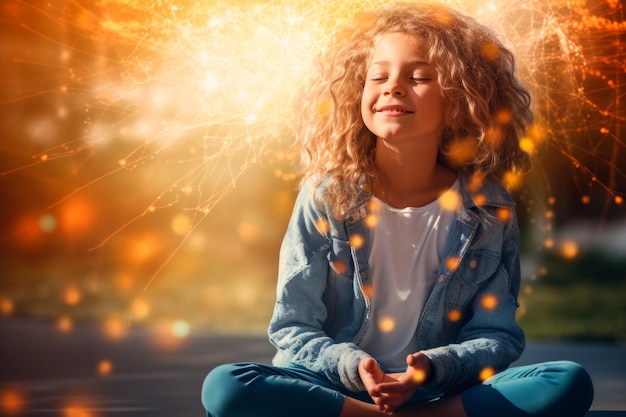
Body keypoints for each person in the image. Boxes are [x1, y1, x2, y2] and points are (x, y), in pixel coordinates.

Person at [201, 2, 594, 416]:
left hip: (440, 391)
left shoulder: (489, 208)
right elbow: (291, 326)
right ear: (359, 92)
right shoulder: (326, 195)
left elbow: (497, 336)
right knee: (227, 386)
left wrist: (432, 368)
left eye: (419, 76)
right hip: (333, 387)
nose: (393, 87)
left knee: (565, 381)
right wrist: (356, 367)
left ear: (459, 98)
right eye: (378, 76)